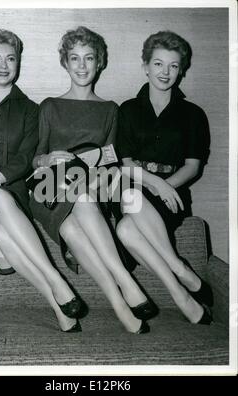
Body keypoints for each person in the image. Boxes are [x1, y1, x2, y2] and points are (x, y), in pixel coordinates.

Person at [0, 29, 83, 333]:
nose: (3, 65)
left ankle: (57, 301)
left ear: (18, 63)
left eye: (11, 58)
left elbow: (24, 158)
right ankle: (58, 284)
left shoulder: (30, 110)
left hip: (13, 188)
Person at [30, 26, 150, 334]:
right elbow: (35, 159)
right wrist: (47, 158)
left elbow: (110, 161)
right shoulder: (50, 106)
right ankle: (126, 281)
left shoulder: (110, 110)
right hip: (49, 187)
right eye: (75, 59)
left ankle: (121, 306)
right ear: (65, 63)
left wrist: (97, 181)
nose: (82, 66)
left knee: (72, 224)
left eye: (89, 58)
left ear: (100, 63)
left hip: (90, 188)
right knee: (79, 198)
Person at [116, 30, 212, 325]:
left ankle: (183, 294)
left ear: (181, 69)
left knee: (124, 231)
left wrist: (165, 187)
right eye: (158, 64)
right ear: (145, 66)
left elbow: (193, 166)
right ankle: (180, 277)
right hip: (135, 187)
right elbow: (125, 163)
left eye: (173, 65)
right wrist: (156, 183)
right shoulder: (128, 110)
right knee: (131, 195)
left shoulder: (194, 114)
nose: (165, 72)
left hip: (174, 193)